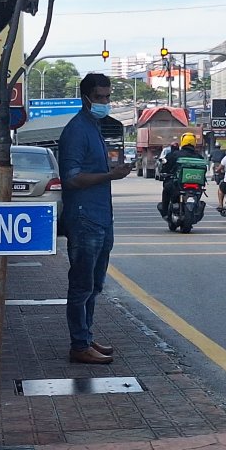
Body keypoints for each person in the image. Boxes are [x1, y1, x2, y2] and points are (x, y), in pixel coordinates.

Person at [57, 73, 132, 365]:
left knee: (95, 284)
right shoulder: (77, 130)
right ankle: (79, 344)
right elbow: (71, 178)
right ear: (85, 97)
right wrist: (110, 175)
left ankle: (85, 337)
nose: (105, 102)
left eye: (108, 97)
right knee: (81, 285)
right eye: (100, 97)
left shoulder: (94, 126)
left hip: (101, 217)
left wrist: (112, 171)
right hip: (85, 218)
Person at [158, 132, 203, 218]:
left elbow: (166, 167)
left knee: (166, 189)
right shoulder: (199, 157)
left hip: (178, 184)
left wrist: (164, 172)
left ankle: (165, 212)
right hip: (196, 185)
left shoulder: (174, 154)